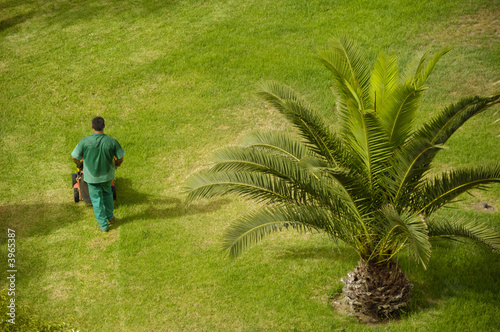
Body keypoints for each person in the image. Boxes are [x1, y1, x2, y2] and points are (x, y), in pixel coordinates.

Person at [71, 117, 125, 232]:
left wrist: (80, 166)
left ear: (92, 127)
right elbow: (120, 158)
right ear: (104, 126)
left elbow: (74, 157)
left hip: (91, 178)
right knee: (107, 195)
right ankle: (110, 217)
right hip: (107, 176)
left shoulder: (84, 142)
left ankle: (103, 226)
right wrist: (116, 164)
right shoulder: (111, 141)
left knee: (96, 201)